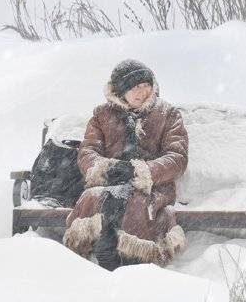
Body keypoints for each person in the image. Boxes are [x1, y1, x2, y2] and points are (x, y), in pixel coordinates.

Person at [62, 59, 188, 270]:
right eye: (134, 87)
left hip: (152, 186)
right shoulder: (102, 115)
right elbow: (87, 151)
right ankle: (104, 253)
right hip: (108, 183)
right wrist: (106, 168)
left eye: (146, 85)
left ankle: (132, 260)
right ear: (121, 92)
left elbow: (177, 157)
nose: (142, 91)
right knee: (95, 197)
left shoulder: (168, 114)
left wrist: (142, 171)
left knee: (137, 204)